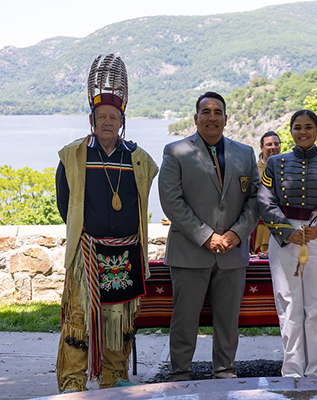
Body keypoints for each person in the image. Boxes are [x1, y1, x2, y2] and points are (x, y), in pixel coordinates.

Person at [55, 54, 158, 393]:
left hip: (126, 253)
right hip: (88, 254)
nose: (108, 122)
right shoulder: (74, 156)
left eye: (114, 117)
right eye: (102, 117)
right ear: (92, 119)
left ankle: (114, 379)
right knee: (80, 321)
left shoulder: (137, 158)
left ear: (122, 121)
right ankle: (72, 383)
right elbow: (64, 203)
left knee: (118, 322)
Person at [158, 91, 259, 381]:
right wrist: (206, 236)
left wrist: (236, 235)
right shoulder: (175, 151)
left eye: (218, 112)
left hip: (232, 252)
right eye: (206, 112)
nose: (212, 117)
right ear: (196, 118)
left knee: (228, 320)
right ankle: (180, 372)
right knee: (185, 319)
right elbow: (172, 201)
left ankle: (224, 371)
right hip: (190, 251)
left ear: (226, 119)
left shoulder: (245, 153)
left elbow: (254, 200)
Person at [258, 110, 317, 377]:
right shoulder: (275, 164)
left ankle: (315, 369)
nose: (303, 132)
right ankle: (292, 368)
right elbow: (265, 201)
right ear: (291, 131)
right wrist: (287, 231)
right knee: (288, 303)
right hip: (285, 239)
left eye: (308, 127)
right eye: (297, 127)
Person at [251, 131, 281, 255]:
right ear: (262, 147)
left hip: (283, 228)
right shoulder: (252, 170)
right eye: (269, 144)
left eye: (276, 144)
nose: (273, 147)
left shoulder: (289, 169)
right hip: (260, 229)